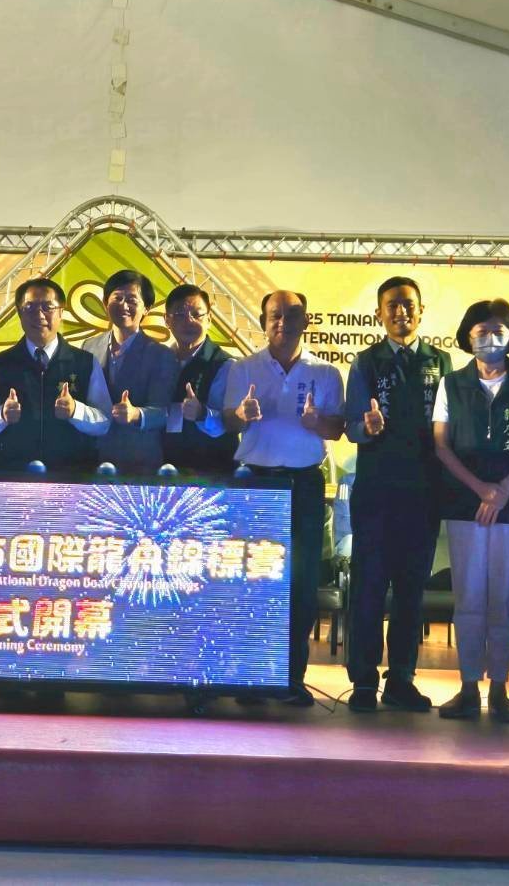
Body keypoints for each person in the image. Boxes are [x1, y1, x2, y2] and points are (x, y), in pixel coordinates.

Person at [432, 298, 509, 723]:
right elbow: (442, 446)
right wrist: (482, 490)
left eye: (498, 331)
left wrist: (503, 490)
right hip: (465, 503)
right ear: (468, 336)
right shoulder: (451, 384)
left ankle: (500, 687)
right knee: (468, 597)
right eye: (481, 331)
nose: (490, 339)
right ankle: (468, 686)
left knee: (505, 598)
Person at [223, 290, 344, 706]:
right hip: (255, 483)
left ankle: (292, 677)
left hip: (304, 484)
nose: (283, 323)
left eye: (293, 316)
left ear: (305, 322)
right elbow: (226, 421)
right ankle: (251, 677)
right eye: (275, 315)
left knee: (301, 583)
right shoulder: (243, 368)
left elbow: (336, 430)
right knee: (252, 582)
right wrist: (241, 416)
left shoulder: (326, 372)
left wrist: (317, 421)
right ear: (263, 322)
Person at [341, 276, 452, 714]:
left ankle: (401, 679)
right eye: (392, 305)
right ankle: (364, 681)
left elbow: (449, 426)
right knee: (368, 587)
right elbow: (351, 426)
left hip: (423, 492)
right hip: (376, 491)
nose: (401, 312)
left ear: (421, 311)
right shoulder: (366, 362)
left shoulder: (440, 362)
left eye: (408, 304)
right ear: (379, 314)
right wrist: (365, 428)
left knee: (411, 591)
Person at [0, 278, 111, 473]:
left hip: (72, 474)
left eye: (48, 307)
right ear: (19, 313)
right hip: (14, 474)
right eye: (30, 307)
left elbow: (105, 422)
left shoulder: (85, 362)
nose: (39, 314)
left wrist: (75, 411)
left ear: (61, 312)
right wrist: (1, 415)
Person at [82, 270, 178, 474]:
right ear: (105, 303)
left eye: (132, 300)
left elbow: (165, 412)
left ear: (146, 308)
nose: (124, 305)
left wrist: (136, 414)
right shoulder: (89, 346)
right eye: (117, 298)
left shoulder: (161, 355)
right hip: (93, 458)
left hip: (139, 460)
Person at [160, 285, 237, 479]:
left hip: (213, 471)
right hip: (164, 468)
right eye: (180, 314)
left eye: (197, 314)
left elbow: (228, 423)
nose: (189, 321)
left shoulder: (225, 365)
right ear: (167, 320)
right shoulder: (159, 359)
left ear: (209, 319)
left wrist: (202, 413)